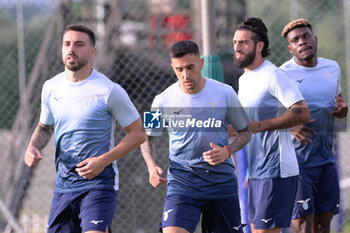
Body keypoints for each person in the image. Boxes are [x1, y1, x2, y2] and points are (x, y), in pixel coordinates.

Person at [24, 24, 146, 233]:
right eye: (67, 44)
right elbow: (44, 127)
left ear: (92, 51)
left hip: (99, 183)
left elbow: (138, 134)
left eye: (79, 44)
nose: (72, 49)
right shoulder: (51, 87)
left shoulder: (109, 90)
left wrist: (103, 161)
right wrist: (32, 147)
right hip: (64, 186)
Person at [140, 40, 252, 233]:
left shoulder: (225, 93)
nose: (185, 75)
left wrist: (227, 151)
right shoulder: (161, 100)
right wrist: (151, 166)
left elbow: (245, 132)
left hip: (221, 183)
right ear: (173, 68)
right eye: (179, 69)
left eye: (190, 67)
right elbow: (147, 138)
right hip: (183, 183)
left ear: (201, 63)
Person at [232, 17, 311, 233]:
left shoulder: (274, 75)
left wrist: (260, 125)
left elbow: (301, 111)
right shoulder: (244, 80)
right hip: (256, 171)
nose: (237, 48)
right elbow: (246, 125)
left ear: (259, 46)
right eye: (235, 43)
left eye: (243, 43)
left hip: (277, 170)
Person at [280, 18, 348, 233]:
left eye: (306, 36)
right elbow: (266, 113)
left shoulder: (332, 68)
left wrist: (343, 109)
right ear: (290, 48)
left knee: (323, 224)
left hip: (326, 157)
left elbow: (337, 99)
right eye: (296, 40)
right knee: (303, 227)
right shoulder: (283, 74)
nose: (302, 42)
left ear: (315, 40)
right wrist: (289, 126)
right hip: (297, 163)